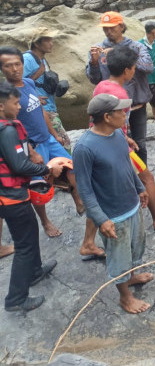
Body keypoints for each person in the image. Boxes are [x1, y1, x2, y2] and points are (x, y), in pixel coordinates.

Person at [1, 47, 103, 261]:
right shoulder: (5, 94)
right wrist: (30, 151)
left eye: (17, 64)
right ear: (2, 68)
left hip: (46, 138)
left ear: (22, 63)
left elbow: (41, 111)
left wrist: (55, 134)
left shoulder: (28, 83)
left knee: (73, 165)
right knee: (39, 187)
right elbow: (11, 124)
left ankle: (78, 197)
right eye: (7, 65)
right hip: (31, 145)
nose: (14, 69)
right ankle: (46, 221)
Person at [73, 94, 154, 314]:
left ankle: (132, 276)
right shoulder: (84, 148)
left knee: (136, 246)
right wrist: (101, 220)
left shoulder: (117, 134)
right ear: (107, 116)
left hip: (132, 205)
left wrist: (139, 188)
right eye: (120, 111)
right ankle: (125, 298)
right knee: (118, 257)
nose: (125, 114)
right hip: (113, 215)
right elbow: (85, 190)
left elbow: (126, 165)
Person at [94, 47, 155, 232]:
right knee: (147, 178)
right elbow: (117, 122)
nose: (134, 70)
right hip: (114, 144)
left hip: (102, 140)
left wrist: (125, 137)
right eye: (133, 67)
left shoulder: (101, 86)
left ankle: (88, 240)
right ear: (127, 70)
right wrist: (123, 139)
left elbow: (103, 120)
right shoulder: (121, 95)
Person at [0, 81, 62, 312]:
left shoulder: (8, 125)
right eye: (15, 103)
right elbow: (18, 165)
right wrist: (47, 170)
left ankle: (35, 271)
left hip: (12, 194)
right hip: (10, 198)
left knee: (29, 231)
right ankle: (15, 299)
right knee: (24, 245)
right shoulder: (6, 131)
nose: (19, 107)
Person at [86, 11, 153, 167]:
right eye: (105, 28)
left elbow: (149, 67)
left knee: (140, 144)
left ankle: (142, 172)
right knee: (117, 143)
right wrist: (94, 63)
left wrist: (120, 54)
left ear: (121, 26)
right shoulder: (98, 48)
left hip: (136, 105)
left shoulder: (136, 46)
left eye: (112, 28)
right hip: (112, 108)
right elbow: (94, 79)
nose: (108, 32)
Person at [22, 27, 71, 152]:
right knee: (64, 144)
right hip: (43, 111)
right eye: (48, 40)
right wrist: (33, 98)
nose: (51, 43)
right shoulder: (27, 59)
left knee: (55, 145)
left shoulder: (41, 59)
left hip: (50, 108)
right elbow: (17, 85)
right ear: (37, 43)